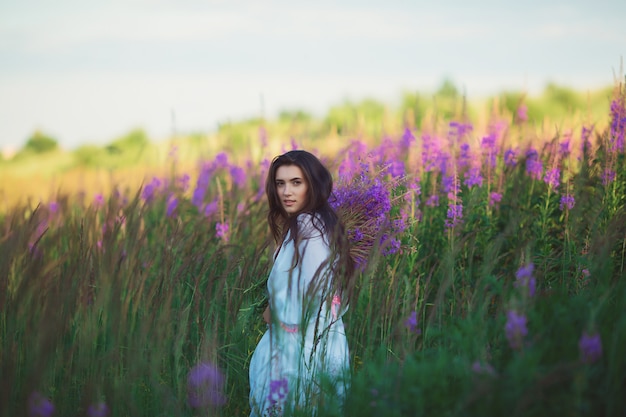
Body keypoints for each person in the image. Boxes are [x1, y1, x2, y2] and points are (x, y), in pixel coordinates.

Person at [249, 150, 353, 416]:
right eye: (280, 183)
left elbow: (315, 295)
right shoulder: (318, 223)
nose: (286, 191)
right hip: (314, 344)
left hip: (300, 353)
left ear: (312, 184)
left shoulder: (308, 228)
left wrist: (277, 315)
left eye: (296, 182)